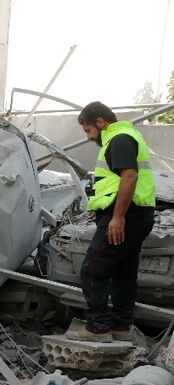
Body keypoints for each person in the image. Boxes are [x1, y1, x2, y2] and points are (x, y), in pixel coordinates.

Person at [65, 102, 155, 342]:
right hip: (138, 214)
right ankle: (120, 328)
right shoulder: (126, 136)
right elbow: (114, 182)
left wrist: (117, 217)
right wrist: (105, 210)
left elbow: (129, 176)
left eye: (88, 130)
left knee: (92, 270)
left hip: (128, 215)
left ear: (100, 122)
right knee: (124, 273)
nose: (88, 137)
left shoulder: (120, 139)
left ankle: (98, 328)